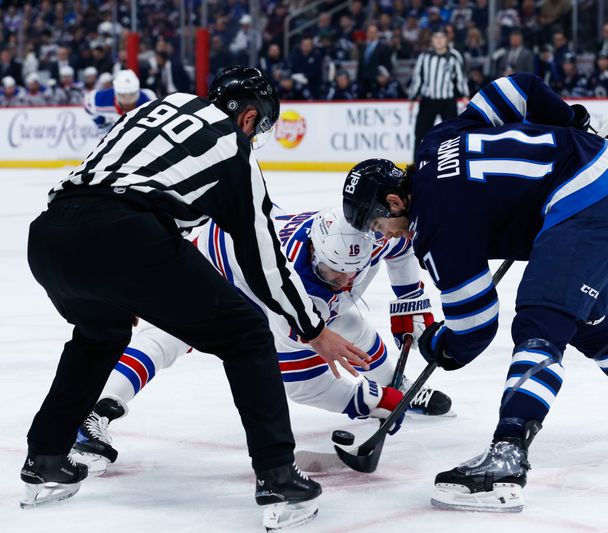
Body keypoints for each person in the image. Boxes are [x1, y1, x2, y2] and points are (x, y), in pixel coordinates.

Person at [21, 66, 369, 532]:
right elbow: (263, 261)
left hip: (50, 235)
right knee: (246, 332)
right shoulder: (234, 152)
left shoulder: (155, 107)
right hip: (125, 235)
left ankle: (45, 456)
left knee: (98, 335)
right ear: (248, 118)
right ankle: (277, 476)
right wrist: (311, 328)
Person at [341, 73, 608, 513]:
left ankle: (507, 457)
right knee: (585, 320)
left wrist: (437, 344)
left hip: (584, 201)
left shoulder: (435, 228)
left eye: (378, 223)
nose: (383, 233)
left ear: (396, 203)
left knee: (540, 320)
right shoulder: (436, 140)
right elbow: (520, 88)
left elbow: (474, 326)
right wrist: (571, 120)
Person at [73, 207, 452, 470]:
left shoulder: (365, 239)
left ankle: (395, 383)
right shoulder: (294, 289)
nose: (342, 281)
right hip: (208, 265)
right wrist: (366, 402)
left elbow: (400, 246)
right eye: (330, 272)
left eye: (349, 274)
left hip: (242, 247)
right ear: (312, 252)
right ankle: (97, 410)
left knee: (346, 319)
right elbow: (303, 384)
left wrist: (409, 300)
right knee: (168, 336)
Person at [408, 28, 469, 162]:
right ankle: (417, 164)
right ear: (432, 40)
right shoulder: (424, 56)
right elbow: (418, 78)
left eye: (442, 37)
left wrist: (464, 95)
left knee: (453, 134)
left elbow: (460, 77)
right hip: (428, 100)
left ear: (447, 40)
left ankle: (455, 162)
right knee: (420, 134)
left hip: (447, 100)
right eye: (436, 37)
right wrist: (412, 98)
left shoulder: (454, 56)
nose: (439, 40)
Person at [83, 69, 155, 132]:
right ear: (116, 93)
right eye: (123, 95)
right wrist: (102, 125)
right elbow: (88, 104)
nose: (128, 101)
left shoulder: (148, 101)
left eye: (132, 95)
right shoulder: (101, 99)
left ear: (138, 92)